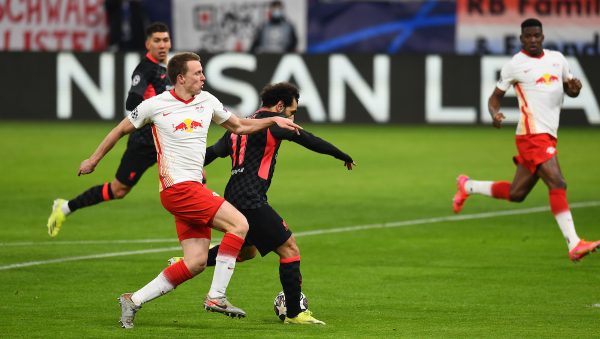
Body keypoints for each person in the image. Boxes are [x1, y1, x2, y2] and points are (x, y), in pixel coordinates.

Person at [77, 52, 302, 329]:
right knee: (239, 225)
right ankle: (216, 296)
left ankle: (133, 300)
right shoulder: (155, 105)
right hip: (177, 189)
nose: (203, 77)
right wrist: (94, 159)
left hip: (192, 187)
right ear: (181, 78)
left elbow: (240, 126)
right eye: (197, 73)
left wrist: (272, 120)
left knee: (195, 262)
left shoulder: (207, 101)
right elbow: (120, 130)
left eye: (203, 72)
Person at [170, 82, 355, 325]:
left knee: (247, 251)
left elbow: (212, 152)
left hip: (233, 195)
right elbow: (309, 139)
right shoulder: (274, 123)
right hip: (251, 198)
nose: (292, 117)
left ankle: (189, 262)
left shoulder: (241, 126)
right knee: (289, 248)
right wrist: (342, 155)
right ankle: (294, 313)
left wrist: (186, 169)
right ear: (279, 106)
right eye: (291, 111)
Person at [452, 18, 600, 262]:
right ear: (521, 39)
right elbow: (494, 97)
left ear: (543, 36)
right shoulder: (515, 65)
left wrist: (575, 88)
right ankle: (574, 243)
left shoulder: (557, 59)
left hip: (547, 135)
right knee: (558, 183)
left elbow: (571, 91)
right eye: (528, 36)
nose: (532, 40)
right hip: (532, 135)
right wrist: (494, 113)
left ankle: (468, 186)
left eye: (536, 36)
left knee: (516, 193)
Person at [47, 22, 172, 237]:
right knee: (119, 190)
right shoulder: (145, 70)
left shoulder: (168, 68)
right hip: (144, 142)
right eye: (157, 40)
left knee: (192, 183)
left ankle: (197, 245)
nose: (162, 45)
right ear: (147, 43)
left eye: (166, 40)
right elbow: (131, 103)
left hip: (168, 140)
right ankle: (65, 207)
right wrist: (152, 113)